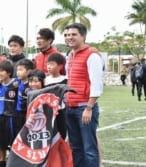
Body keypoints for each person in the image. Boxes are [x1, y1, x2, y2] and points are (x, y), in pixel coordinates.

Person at [64, 23, 104, 167]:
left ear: (83, 36)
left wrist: (89, 107)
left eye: (74, 34)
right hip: (70, 107)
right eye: (67, 35)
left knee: (89, 149)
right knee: (76, 148)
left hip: (84, 108)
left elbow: (97, 84)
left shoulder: (92, 55)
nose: (70, 37)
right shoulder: (70, 55)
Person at [0, 60, 18, 167]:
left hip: (10, 117)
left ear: (9, 72)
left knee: (11, 144)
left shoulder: (16, 83)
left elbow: (23, 81)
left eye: (2, 71)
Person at [44, 53, 68, 139]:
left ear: (60, 66)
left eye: (52, 64)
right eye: (48, 64)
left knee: (62, 135)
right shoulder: (45, 80)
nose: (49, 66)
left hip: (61, 111)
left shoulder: (65, 79)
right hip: (49, 112)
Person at [14, 58, 34, 138]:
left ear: (29, 71)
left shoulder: (31, 84)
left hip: (27, 113)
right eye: (17, 70)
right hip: (18, 113)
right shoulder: (17, 81)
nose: (18, 72)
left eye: (21, 70)